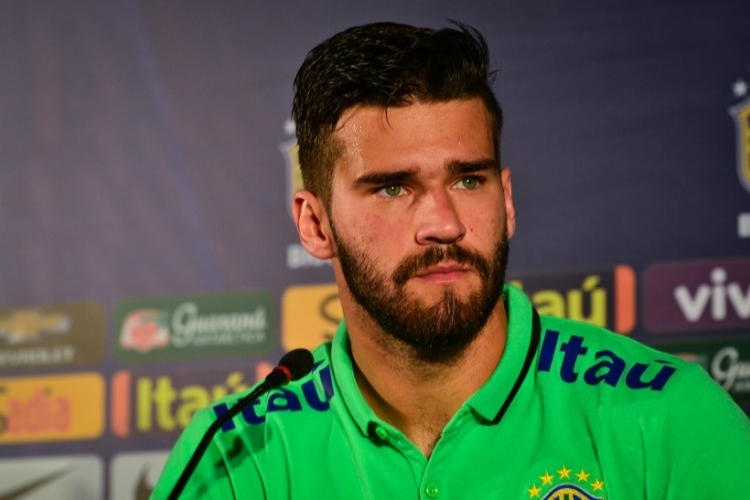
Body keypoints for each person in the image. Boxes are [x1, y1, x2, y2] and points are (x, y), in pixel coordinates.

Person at [152, 22, 750, 499]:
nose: (444, 224)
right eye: (393, 188)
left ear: (506, 200)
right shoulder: (236, 455)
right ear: (315, 224)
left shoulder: (668, 414)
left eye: (468, 180)